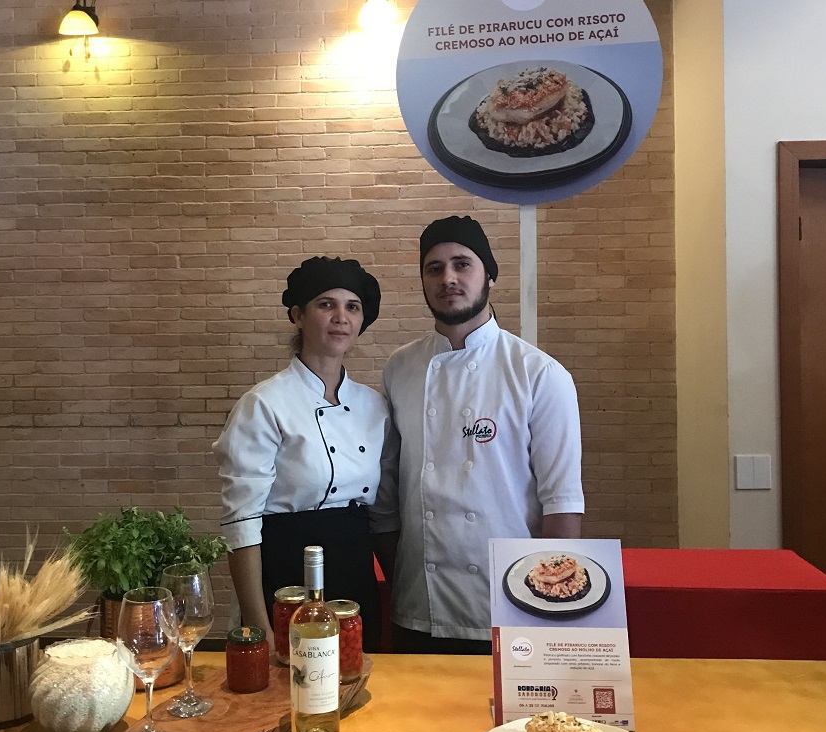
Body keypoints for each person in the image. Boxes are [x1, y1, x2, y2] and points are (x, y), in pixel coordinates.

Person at [371, 215, 584, 653]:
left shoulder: (538, 373)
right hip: (419, 607)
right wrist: (401, 580)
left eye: (462, 264)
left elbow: (562, 504)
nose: (448, 278)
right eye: (434, 268)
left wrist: (548, 607)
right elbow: (388, 494)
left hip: (510, 604)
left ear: (489, 275)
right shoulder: (400, 368)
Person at [214, 256, 388, 651]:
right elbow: (241, 523)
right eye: (326, 304)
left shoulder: (374, 406)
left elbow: (382, 511)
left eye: (352, 307)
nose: (341, 317)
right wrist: (258, 627)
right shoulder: (264, 404)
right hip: (286, 577)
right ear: (298, 315)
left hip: (355, 574)